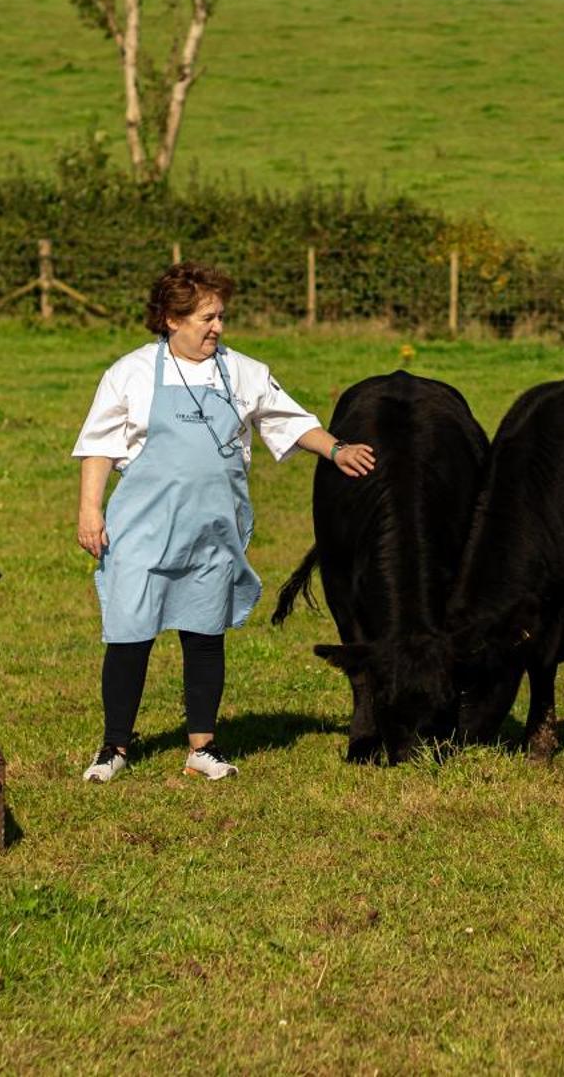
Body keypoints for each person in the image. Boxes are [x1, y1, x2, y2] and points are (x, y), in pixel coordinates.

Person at [71, 261, 374, 783]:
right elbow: (100, 445)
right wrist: (89, 509)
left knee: (205, 635)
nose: (218, 328)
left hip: (213, 532)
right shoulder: (132, 373)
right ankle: (114, 746)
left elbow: (289, 419)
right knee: (129, 636)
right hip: (143, 530)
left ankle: (203, 748)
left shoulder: (243, 371)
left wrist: (336, 450)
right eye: (206, 318)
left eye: (220, 317)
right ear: (170, 319)